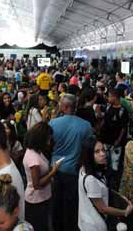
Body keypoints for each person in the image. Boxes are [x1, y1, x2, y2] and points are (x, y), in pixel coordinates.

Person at [49, 94, 93, 231]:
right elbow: (88, 148)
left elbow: (49, 145)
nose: (58, 105)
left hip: (55, 170)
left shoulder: (53, 123)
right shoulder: (86, 125)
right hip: (74, 171)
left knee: (56, 203)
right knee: (71, 204)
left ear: (66, 107)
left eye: (60, 103)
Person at [78, 137, 133, 231]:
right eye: (97, 151)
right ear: (89, 155)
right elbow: (102, 208)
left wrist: (119, 196)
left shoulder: (85, 168)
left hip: (87, 217)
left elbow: (101, 188)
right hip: (94, 225)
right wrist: (124, 212)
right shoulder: (91, 179)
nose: (103, 154)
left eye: (103, 150)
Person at [23, 122, 60, 231]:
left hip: (43, 198)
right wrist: (53, 171)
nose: (49, 142)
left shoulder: (36, 151)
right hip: (37, 201)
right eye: (47, 139)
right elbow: (37, 185)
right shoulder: (33, 158)